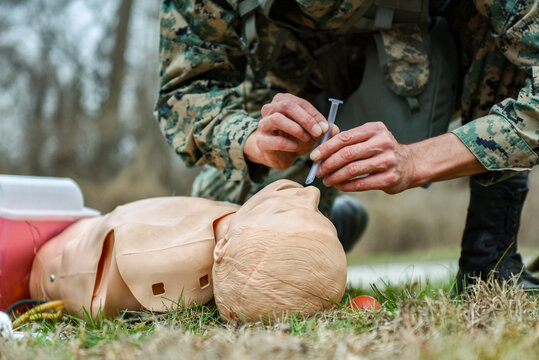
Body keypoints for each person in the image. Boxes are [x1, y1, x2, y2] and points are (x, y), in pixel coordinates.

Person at [154, 0, 539, 291]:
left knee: (506, 47)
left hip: (424, 73)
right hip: (285, 90)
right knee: (217, 266)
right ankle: (323, 228)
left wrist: (415, 160)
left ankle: (489, 258)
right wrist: (252, 139)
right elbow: (186, 95)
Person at [26, 180, 347, 322]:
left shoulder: (161, 256)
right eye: (319, 214)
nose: (312, 194)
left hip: (48, 248)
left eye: (284, 213)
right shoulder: (235, 233)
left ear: (225, 249)